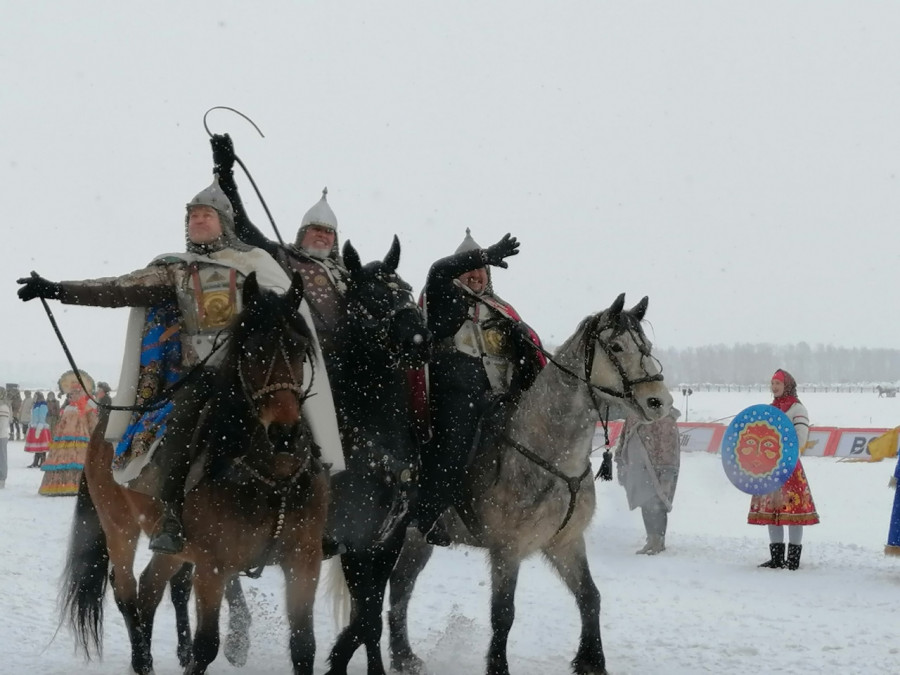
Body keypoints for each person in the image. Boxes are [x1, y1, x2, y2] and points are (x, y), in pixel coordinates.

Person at [17, 175, 340, 554]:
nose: (199, 221)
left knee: (302, 422)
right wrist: (58, 289)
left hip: (254, 375)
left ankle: (315, 520)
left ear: (225, 222)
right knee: (182, 423)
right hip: (199, 376)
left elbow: (288, 311)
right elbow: (118, 288)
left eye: (207, 215)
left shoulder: (257, 263)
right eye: (193, 216)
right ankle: (171, 514)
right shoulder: (176, 270)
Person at [415, 229, 546, 545]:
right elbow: (438, 269)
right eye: (469, 268)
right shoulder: (442, 296)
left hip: (502, 396)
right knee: (455, 438)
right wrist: (484, 254)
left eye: (481, 270)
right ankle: (429, 511)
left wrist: (529, 354)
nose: (475, 275)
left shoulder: (503, 310)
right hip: (455, 395)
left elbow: (528, 359)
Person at [210, 134, 348, 373]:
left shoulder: (346, 274)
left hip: (346, 363)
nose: (322, 235)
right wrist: (225, 171)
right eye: (316, 229)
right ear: (303, 232)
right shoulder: (280, 256)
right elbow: (240, 224)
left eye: (328, 232)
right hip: (294, 355)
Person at [748, 369, 820, 570]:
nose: (774, 387)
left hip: (788, 468)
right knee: (772, 512)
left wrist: (779, 442)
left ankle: (793, 559)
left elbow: (800, 441)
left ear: (787, 385)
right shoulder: (770, 409)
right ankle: (777, 558)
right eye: (772, 384)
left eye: (777, 383)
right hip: (769, 468)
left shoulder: (798, 409)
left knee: (793, 514)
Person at [615, 408, 682, 554]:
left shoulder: (666, 418)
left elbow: (669, 448)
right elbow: (624, 438)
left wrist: (667, 472)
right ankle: (651, 539)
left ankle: (658, 541)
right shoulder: (634, 414)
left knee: (658, 504)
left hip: (657, 470)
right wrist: (620, 459)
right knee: (645, 504)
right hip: (638, 469)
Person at [39, 372, 98, 496]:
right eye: (70, 394)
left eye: (74, 394)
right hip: (64, 441)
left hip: (80, 439)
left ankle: (78, 485)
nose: (71, 396)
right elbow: (61, 424)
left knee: (78, 461)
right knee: (65, 461)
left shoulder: (86, 406)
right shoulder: (67, 408)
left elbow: (92, 421)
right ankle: (63, 485)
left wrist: (93, 434)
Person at [24, 392, 51, 467]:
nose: (34, 398)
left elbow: (42, 416)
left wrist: (40, 425)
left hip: (41, 427)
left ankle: (43, 461)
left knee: (41, 445)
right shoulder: (35, 405)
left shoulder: (43, 405)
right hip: (35, 427)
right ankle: (36, 461)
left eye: (35, 396)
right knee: (37, 446)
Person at [0, 388, 9, 488]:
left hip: (1, 436)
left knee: (2, 458)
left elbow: (2, 424)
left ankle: (2, 479)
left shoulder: (3, 407)